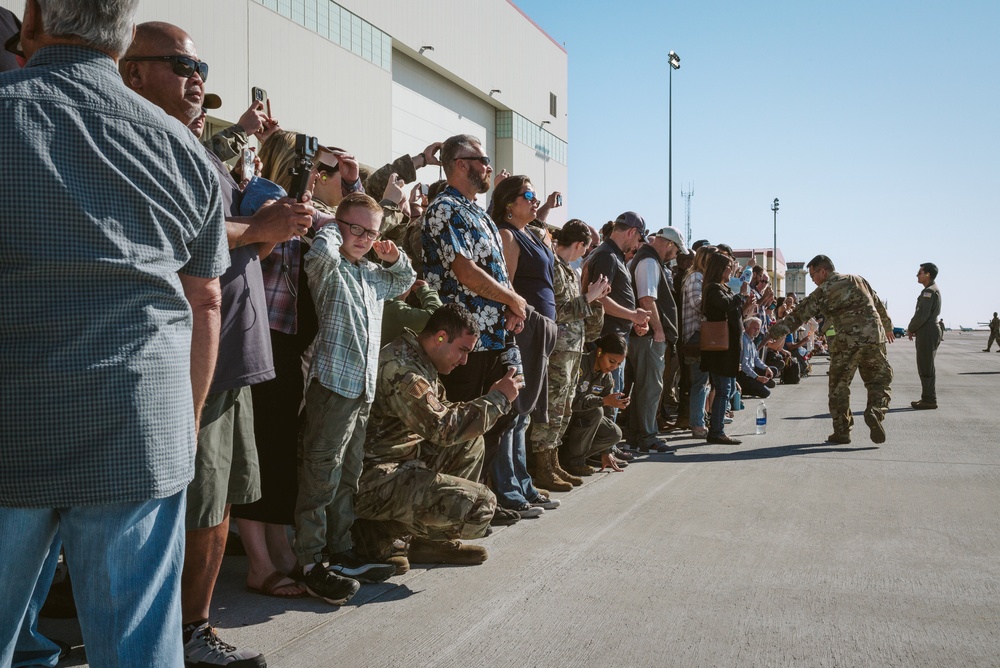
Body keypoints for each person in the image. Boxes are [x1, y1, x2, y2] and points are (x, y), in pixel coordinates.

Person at [0, 2, 229, 665]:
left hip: (17, 420)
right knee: (138, 650)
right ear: (123, 35)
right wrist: (181, 427)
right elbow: (205, 296)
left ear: (36, 18)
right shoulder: (183, 146)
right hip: (140, 426)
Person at [122, 21, 319, 665]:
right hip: (185, 359)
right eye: (180, 64)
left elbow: (227, 233)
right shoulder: (139, 143)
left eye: (199, 65)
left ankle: (193, 627)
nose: (195, 76)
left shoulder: (199, 149)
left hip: (232, 354)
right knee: (193, 502)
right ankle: (168, 638)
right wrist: (256, 228)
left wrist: (270, 228)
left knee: (221, 500)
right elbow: (183, 236)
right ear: (133, 73)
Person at [294, 192, 416, 603]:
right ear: (338, 226)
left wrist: (394, 255)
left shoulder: (369, 274)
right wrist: (330, 226)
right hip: (332, 387)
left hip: (362, 389)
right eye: (356, 229)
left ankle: (340, 549)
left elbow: (404, 280)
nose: (364, 238)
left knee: (348, 473)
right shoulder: (327, 266)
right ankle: (310, 560)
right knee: (320, 474)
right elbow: (322, 255)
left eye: (372, 232)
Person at [354, 304, 522, 567]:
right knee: (480, 505)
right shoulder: (402, 369)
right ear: (441, 337)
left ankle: (430, 543)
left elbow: (447, 417)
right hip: (372, 481)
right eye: (463, 350)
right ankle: (376, 533)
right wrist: (498, 399)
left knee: (470, 441)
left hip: (399, 464)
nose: (465, 360)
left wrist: (490, 399)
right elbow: (443, 429)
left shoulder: (419, 360)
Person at [421, 134, 527, 527]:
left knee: (498, 416)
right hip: (464, 339)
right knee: (462, 425)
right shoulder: (445, 208)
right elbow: (465, 272)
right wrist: (511, 300)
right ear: (460, 164)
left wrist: (512, 304)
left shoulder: (478, 213)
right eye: (482, 160)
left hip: (495, 335)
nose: (488, 167)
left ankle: (480, 499)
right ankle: (452, 512)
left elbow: (496, 274)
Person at [766, 255, 894, 445]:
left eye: (812, 276)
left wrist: (772, 333)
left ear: (823, 271)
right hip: (875, 337)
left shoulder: (823, 291)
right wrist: (888, 326)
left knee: (839, 387)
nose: (812, 280)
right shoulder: (857, 279)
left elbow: (799, 316)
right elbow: (877, 303)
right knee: (879, 382)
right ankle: (875, 412)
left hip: (846, 342)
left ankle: (842, 431)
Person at [531, 220, 609, 483]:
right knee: (552, 409)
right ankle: (543, 466)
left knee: (564, 409)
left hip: (573, 351)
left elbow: (577, 314)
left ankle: (553, 463)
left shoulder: (569, 270)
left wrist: (593, 300)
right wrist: (588, 297)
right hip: (557, 351)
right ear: (579, 244)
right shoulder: (552, 266)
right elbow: (553, 312)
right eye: (585, 249)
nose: (583, 254)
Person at [625, 226, 685, 452]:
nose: (676, 255)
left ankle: (638, 436)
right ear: (669, 244)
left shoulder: (645, 260)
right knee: (650, 388)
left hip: (642, 336)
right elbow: (647, 299)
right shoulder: (649, 262)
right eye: (677, 250)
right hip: (648, 337)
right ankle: (647, 437)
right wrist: (658, 330)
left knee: (644, 388)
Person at [582, 212, 652, 405]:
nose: (638, 245)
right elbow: (598, 299)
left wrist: (633, 319)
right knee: (608, 405)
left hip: (614, 340)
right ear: (632, 232)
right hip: (606, 344)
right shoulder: (607, 256)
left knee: (612, 404)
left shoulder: (614, 256)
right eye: (639, 239)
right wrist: (632, 315)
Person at [700, 252, 753, 445]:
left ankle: (717, 428)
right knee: (722, 389)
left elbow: (733, 309)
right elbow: (726, 305)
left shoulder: (722, 287)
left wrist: (743, 303)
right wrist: (741, 295)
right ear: (720, 269)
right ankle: (716, 431)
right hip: (719, 349)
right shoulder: (713, 289)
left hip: (728, 349)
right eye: (729, 267)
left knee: (727, 388)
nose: (732, 270)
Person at [562, 334, 631, 474]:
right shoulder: (579, 364)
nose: (614, 367)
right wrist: (603, 401)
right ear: (599, 352)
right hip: (565, 419)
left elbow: (609, 413)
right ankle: (574, 462)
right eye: (611, 361)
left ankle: (567, 458)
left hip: (583, 425)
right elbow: (570, 401)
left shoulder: (606, 377)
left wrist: (606, 451)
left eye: (618, 364)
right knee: (596, 411)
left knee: (614, 434)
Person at [906, 262, 942, 410]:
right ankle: (927, 397)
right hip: (927, 329)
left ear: (928, 274)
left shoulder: (929, 292)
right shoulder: (930, 290)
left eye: (920, 272)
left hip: (927, 330)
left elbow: (922, 314)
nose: (917, 275)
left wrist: (911, 328)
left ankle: (929, 399)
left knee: (926, 365)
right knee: (925, 364)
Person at [739, 317, 777, 398]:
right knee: (766, 393)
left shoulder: (751, 341)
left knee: (773, 370)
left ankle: (763, 382)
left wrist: (766, 368)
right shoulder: (744, 340)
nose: (756, 331)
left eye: (758, 329)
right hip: (743, 374)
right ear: (747, 327)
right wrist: (757, 377)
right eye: (754, 328)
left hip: (752, 369)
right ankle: (745, 389)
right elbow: (744, 366)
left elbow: (756, 359)